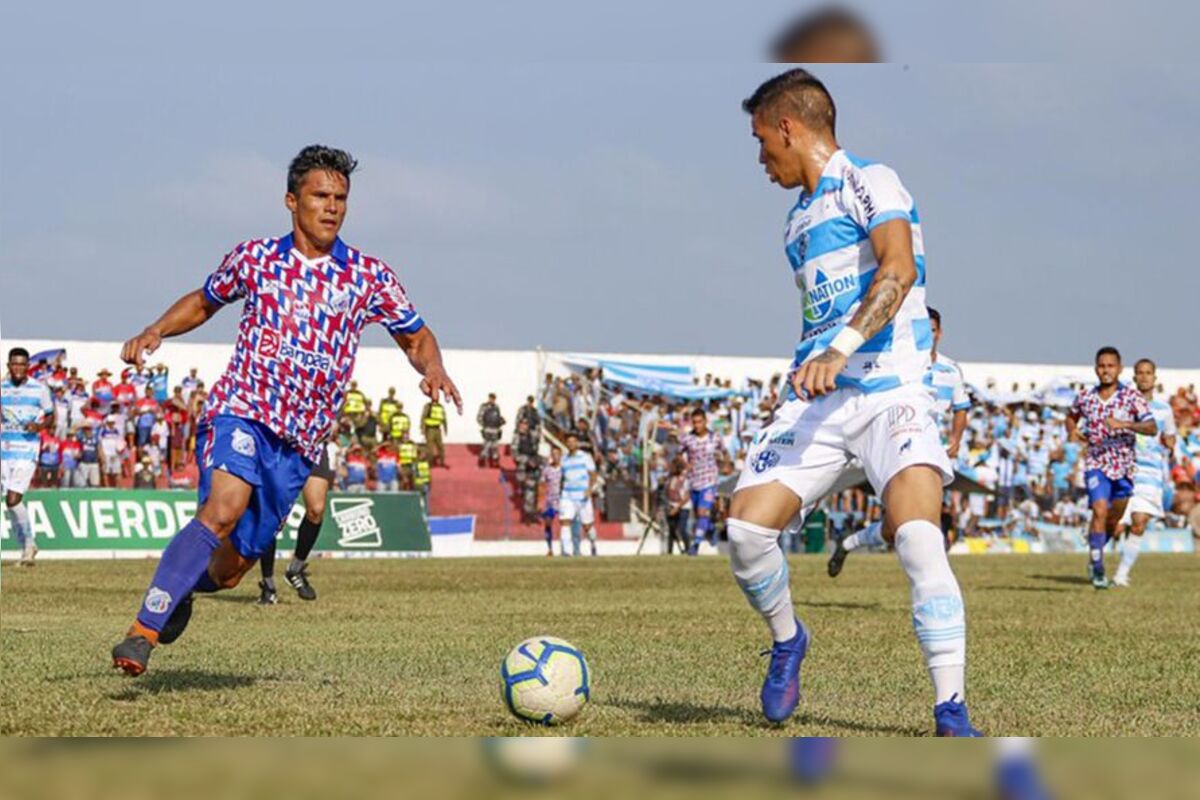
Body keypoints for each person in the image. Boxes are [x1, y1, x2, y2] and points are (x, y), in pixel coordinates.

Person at [110, 144, 461, 676]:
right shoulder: (256, 258)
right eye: (321, 195)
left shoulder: (367, 275)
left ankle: (181, 586)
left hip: (299, 444)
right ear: (291, 201)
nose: (332, 206)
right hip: (242, 410)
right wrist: (156, 328)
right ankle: (142, 632)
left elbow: (416, 336)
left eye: (341, 198)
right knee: (224, 507)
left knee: (228, 572)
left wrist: (431, 367)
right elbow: (206, 300)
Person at [730, 69, 978, 734]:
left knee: (920, 540)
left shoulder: (870, 181)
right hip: (818, 402)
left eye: (761, 141)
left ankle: (950, 710)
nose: (761, 158)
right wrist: (821, 361)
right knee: (747, 532)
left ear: (789, 127)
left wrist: (840, 349)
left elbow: (897, 270)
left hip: (891, 388)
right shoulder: (795, 222)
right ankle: (788, 641)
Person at [828, 305, 971, 574]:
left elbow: (961, 408)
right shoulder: (899, 364)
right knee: (901, 521)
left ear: (939, 333)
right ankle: (928, 576)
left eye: (931, 331)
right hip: (899, 444)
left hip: (931, 449)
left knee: (909, 520)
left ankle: (850, 544)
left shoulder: (950, 370)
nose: (927, 335)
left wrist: (956, 439)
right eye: (922, 330)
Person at [1065, 347, 1155, 590]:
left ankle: (1096, 548)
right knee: (1099, 509)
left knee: (1114, 520)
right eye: (1101, 366)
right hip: (1096, 462)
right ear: (1096, 369)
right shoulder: (1085, 397)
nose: (1106, 371)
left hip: (1124, 467)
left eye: (1110, 366)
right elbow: (1071, 417)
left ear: (1119, 369)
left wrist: (1125, 424)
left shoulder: (1131, 397)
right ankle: (1097, 567)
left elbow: (1151, 427)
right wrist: (1072, 431)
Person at [1112, 358, 1177, 587]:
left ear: (1154, 378)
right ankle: (1096, 556)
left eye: (1148, 372)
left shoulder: (1164, 410)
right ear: (1134, 377)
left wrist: (1170, 442)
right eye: (1140, 372)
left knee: (1139, 523)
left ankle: (1121, 574)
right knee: (1115, 522)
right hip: (1126, 468)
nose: (1144, 376)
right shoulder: (1124, 406)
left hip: (1150, 473)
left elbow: (1170, 436)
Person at [257, 438, 338, 605]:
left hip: (312, 442)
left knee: (316, 510)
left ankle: (295, 569)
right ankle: (268, 585)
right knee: (271, 515)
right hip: (280, 443)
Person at [2, 348, 54, 566]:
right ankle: (27, 546)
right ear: (9, 365)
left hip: (26, 449)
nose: (18, 368)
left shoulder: (39, 389)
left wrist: (39, 425)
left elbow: (51, 416)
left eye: (22, 364)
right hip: (5, 449)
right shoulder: (2, 389)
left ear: (27, 367)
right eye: (14, 364)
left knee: (14, 498)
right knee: (9, 502)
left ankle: (28, 545)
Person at [679, 408, 722, 555]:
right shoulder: (687, 439)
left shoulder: (714, 438)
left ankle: (695, 546)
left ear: (705, 421)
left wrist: (722, 462)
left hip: (709, 480)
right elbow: (679, 454)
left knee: (702, 511)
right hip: (694, 481)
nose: (697, 425)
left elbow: (723, 453)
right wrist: (685, 465)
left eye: (699, 422)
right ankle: (710, 528)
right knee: (699, 515)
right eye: (694, 422)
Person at [558, 433, 598, 557]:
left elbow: (593, 475)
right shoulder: (563, 459)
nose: (571, 444)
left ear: (577, 443)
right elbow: (562, 478)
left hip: (582, 495)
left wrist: (590, 490)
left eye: (573, 441)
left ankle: (593, 544)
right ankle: (566, 552)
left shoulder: (585, 457)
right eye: (569, 441)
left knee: (587, 526)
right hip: (568, 494)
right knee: (565, 521)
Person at [663, 457, 692, 555]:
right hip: (671, 505)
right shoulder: (669, 479)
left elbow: (687, 497)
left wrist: (677, 507)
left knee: (682, 528)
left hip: (683, 506)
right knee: (671, 530)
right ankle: (669, 551)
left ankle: (688, 549)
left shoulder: (684, 480)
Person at [539, 446, 563, 556]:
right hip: (550, 500)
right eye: (553, 454)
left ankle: (566, 547)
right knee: (548, 523)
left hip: (563, 499)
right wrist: (540, 501)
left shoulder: (564, 469)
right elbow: (542, 485)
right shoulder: (547, 469)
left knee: (565, 524)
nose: (555, 456)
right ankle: (549, 548)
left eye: (557, 454)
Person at [478, 392, 505, 468]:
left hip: (495, 429)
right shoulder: (484, 406)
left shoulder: (496, 407)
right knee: (486, 445)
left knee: (495, 446)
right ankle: (482, 461)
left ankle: (495, 462)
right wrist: (484, 425)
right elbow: (479, 417)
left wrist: (501, 422)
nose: (492, 400)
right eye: (491, 398)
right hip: (487, 428)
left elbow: (498, 417)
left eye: (493, 398)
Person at [422, 397, 448, 467]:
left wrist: (445, 428)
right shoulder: (428, 406)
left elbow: (444, 418)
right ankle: (429, 463)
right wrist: (423, 429)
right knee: (430, 447)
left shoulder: (440, 407)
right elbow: (423, 417)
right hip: (430, 429)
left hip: (438, 429)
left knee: (440, 446)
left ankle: (442, 462)